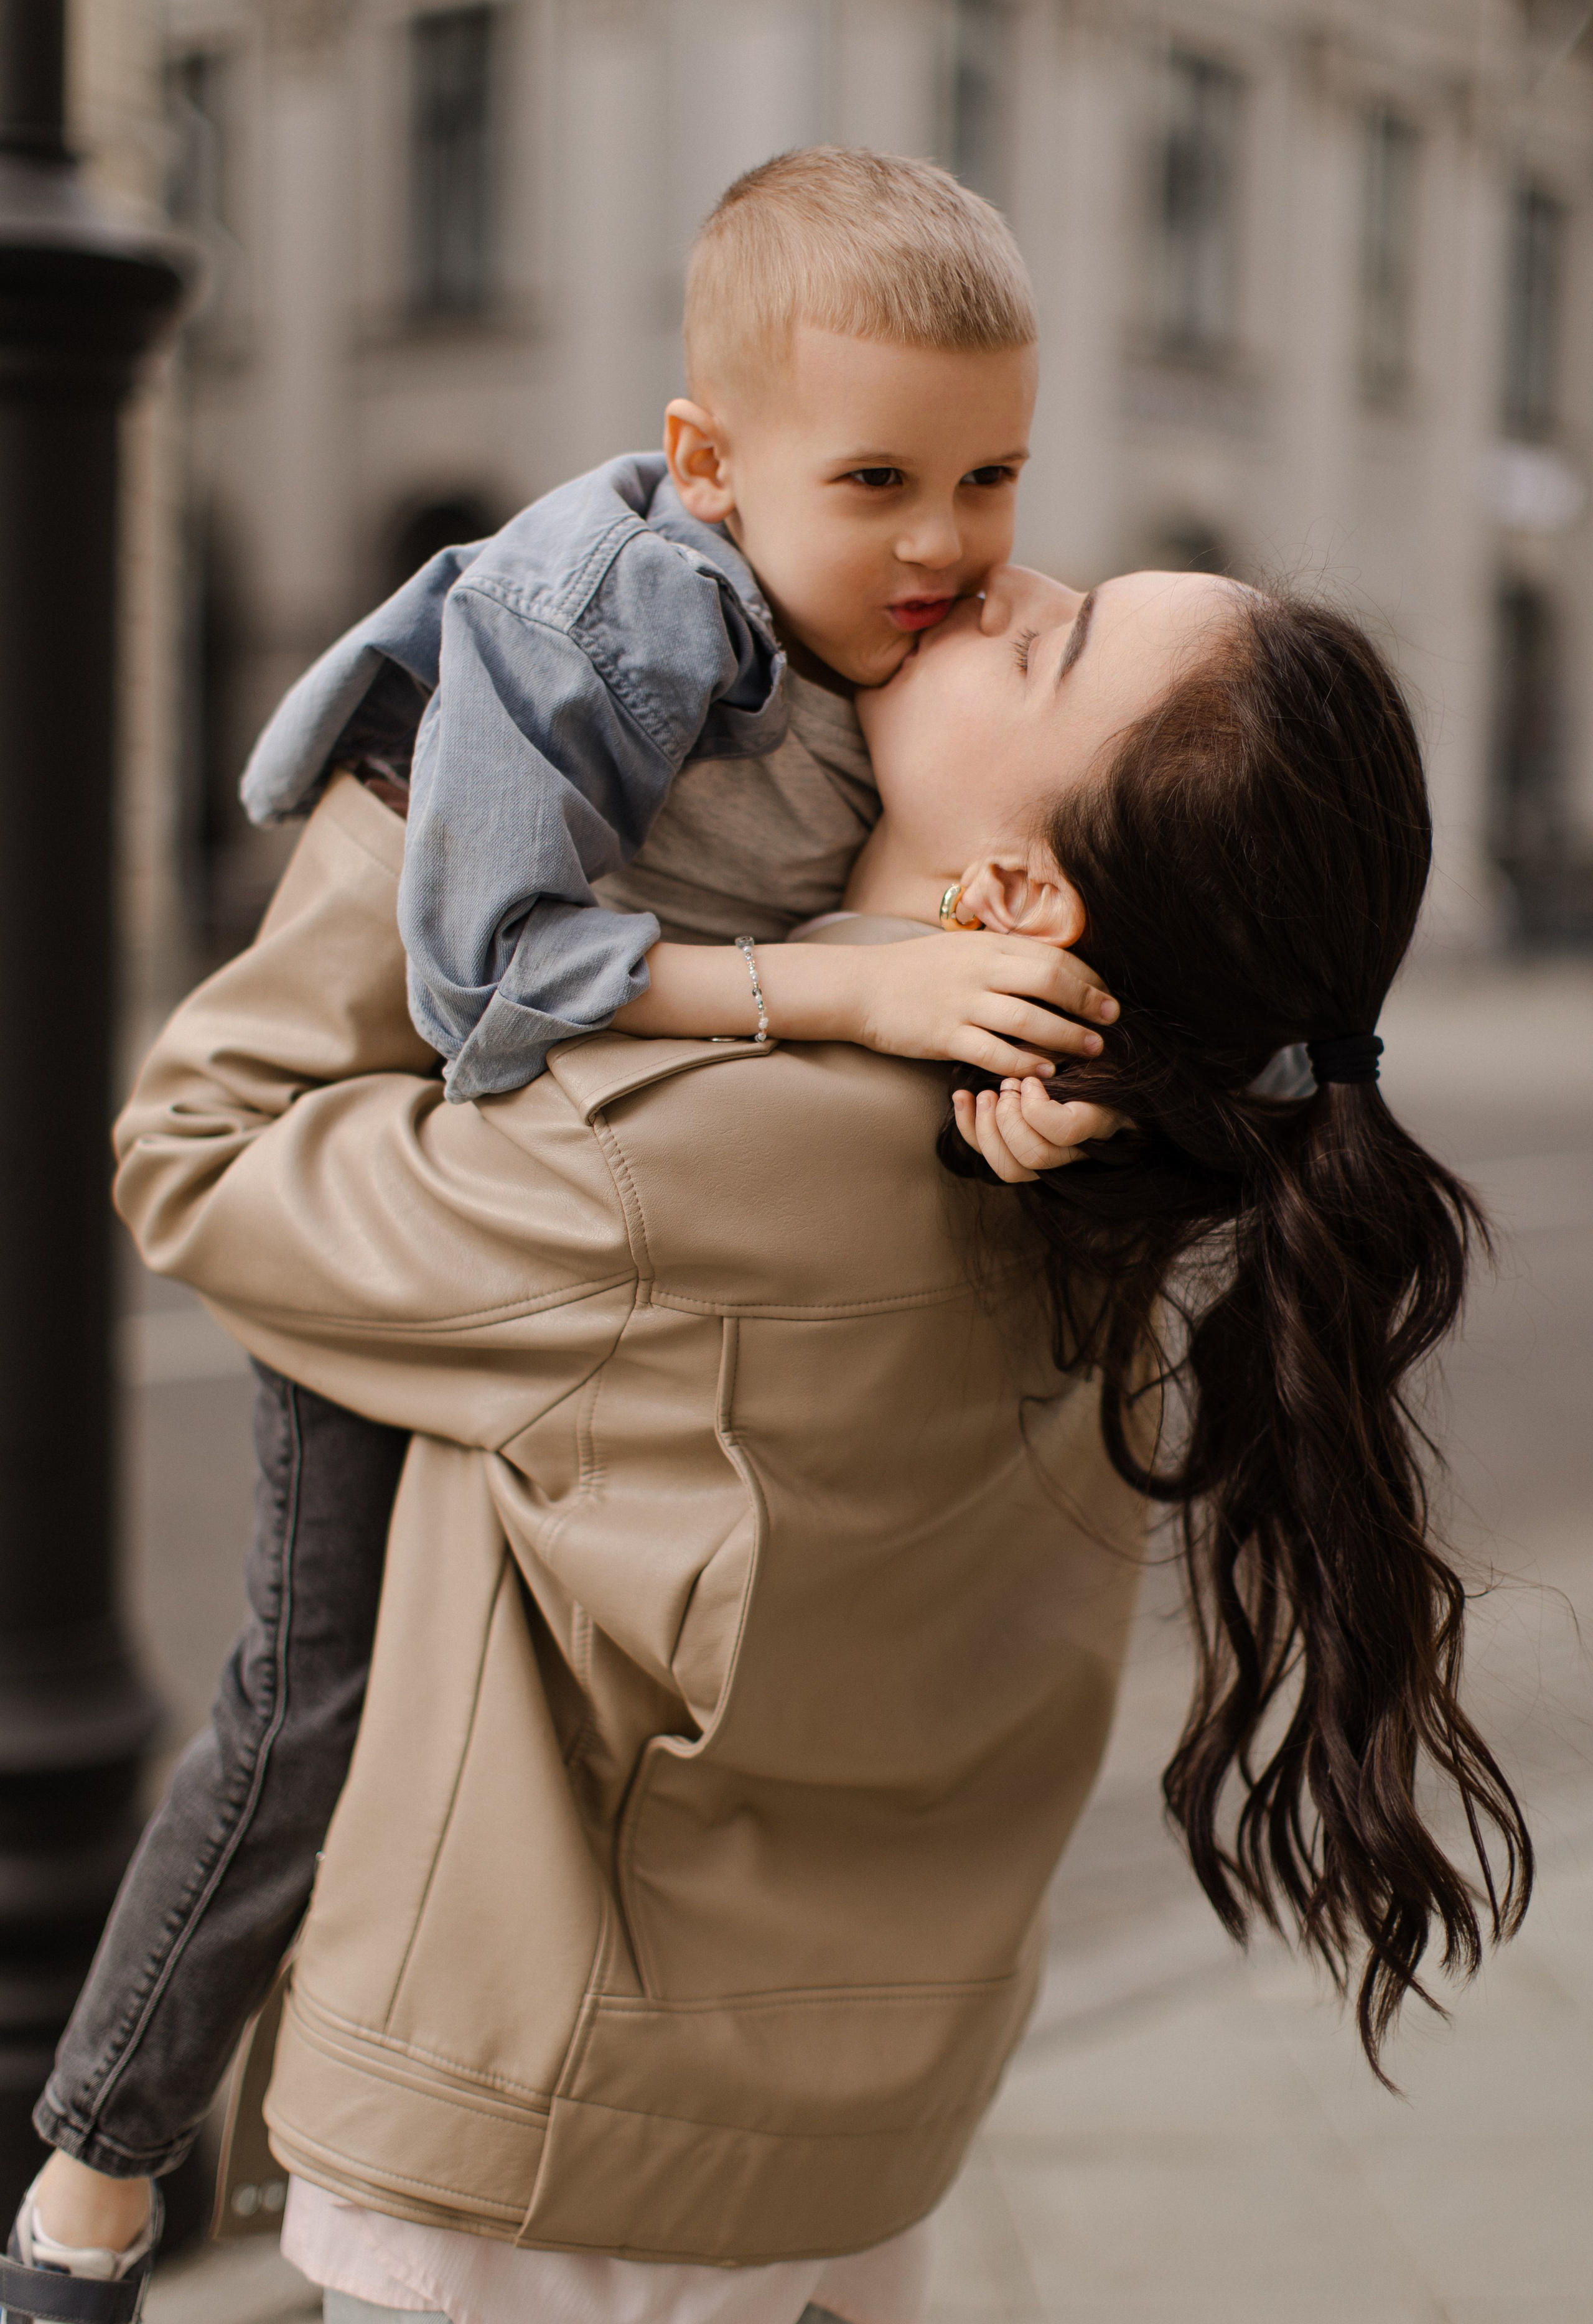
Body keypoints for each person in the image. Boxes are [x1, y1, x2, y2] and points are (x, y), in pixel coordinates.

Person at [15, 566, 1530, 2324]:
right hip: (855, 2151)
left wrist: (413, 798)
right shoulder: (1106, 1178)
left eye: (1046, 641)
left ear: (1020, 890)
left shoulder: (696, 1156)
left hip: (547, 2197)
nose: (998, 580)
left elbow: (197, 1149)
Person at [15, 148, 1126, 2303]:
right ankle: (93, 2174)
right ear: (707, 462)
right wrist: (842, 985)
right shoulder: (610, 627)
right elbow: (487, 979)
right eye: (885, 476)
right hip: (444, 1152)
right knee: (307, 1706)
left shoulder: (866, 617)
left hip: (545, 1218)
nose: (958, 550)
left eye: (995, 476)